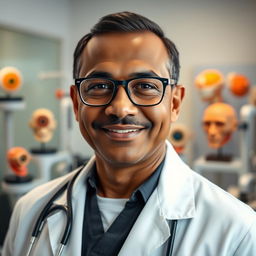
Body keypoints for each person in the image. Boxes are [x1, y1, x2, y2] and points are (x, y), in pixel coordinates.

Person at [3, 11, 256, 256]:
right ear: (77, 103)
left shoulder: (238, 231)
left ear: (175, 103)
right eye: (100, 86)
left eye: (146, 86)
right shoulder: (30, 210)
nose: (121, 108)